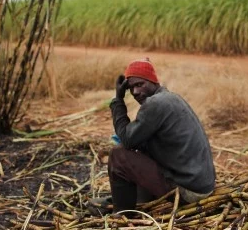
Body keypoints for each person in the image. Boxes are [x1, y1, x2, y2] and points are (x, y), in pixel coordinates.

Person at [90, 58, 216, 215]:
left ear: (152, 81)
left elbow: (127, 139)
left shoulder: (155, 104)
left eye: (139, 84)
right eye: (130, 88)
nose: (135, 92)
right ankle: (137, 201)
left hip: (190, 192)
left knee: (119, 155)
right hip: (201, 185)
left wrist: (118, 100)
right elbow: (137, 142)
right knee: (140, 150)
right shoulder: (169, 98)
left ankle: (122, 214)